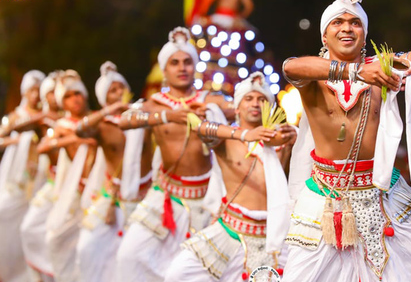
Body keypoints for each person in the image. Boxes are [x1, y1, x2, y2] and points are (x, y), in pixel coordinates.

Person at [281, 0, 411, 281]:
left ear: (364, 34)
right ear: (324, 34)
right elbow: (290, 67)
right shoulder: (314, 74)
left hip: (382, 193)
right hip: (327, 197)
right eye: (338, 22)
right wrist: (355, 72)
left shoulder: (383, 66)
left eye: (355, 22)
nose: (347, 28)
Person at [115, 26, 232, 282]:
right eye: (175, 62)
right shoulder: (155, 104)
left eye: (188, 62)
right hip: (167, 197)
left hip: (207, 200)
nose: (182, 67)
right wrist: (168, 116)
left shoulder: (209, 100)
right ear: (164, 70)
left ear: (195, 67)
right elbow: (124, 121)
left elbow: (240, 108)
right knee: (128, 255)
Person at [164, 72, 296, 282]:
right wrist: (245, 135)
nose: (255, 103)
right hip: (232, 230)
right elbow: (200, 127)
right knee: (178, 273)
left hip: (275, 234)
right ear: (237, 107)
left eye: (262, 99)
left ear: (269, 107)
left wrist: (294, 134)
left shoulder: (283, 139)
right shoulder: (227, 139)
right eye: (248, 98)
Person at [74, 61, 153, 282]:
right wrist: (108, 112)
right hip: (113, 199)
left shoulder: (143, 117)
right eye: (112, 91)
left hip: (145, 197)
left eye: (121, 88)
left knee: (136, 257)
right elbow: (79, 130)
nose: (119, 93)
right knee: (87, 248)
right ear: (103, 99)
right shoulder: (103, 124)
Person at [38, 70, 97, 282]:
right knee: (56, 240)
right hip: (74, 191)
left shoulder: (95, 120)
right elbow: (43, 147)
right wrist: (76, 140)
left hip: (99, 190)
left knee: (90, 248)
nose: (75, 99)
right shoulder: (62, 126)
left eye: (78, 94)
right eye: (69, 96)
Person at [0, 69, 45, 282]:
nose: (35, 95)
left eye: (38, 90)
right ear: (24, 92)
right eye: (32, 90)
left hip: (39, 178)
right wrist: (19, 140)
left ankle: (34, 272)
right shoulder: (15, 117)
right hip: (16, 181)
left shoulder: (44, 119)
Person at [20, 71, 64, 282]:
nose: (54, 96)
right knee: (29, 228)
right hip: (51, 183)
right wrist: (39, 117)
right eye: (50, 92)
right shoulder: (42, 121)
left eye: (58, 92)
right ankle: (45, 273)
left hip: (73, 187)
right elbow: (11, 129)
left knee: (57, 235)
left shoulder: (74, 120)